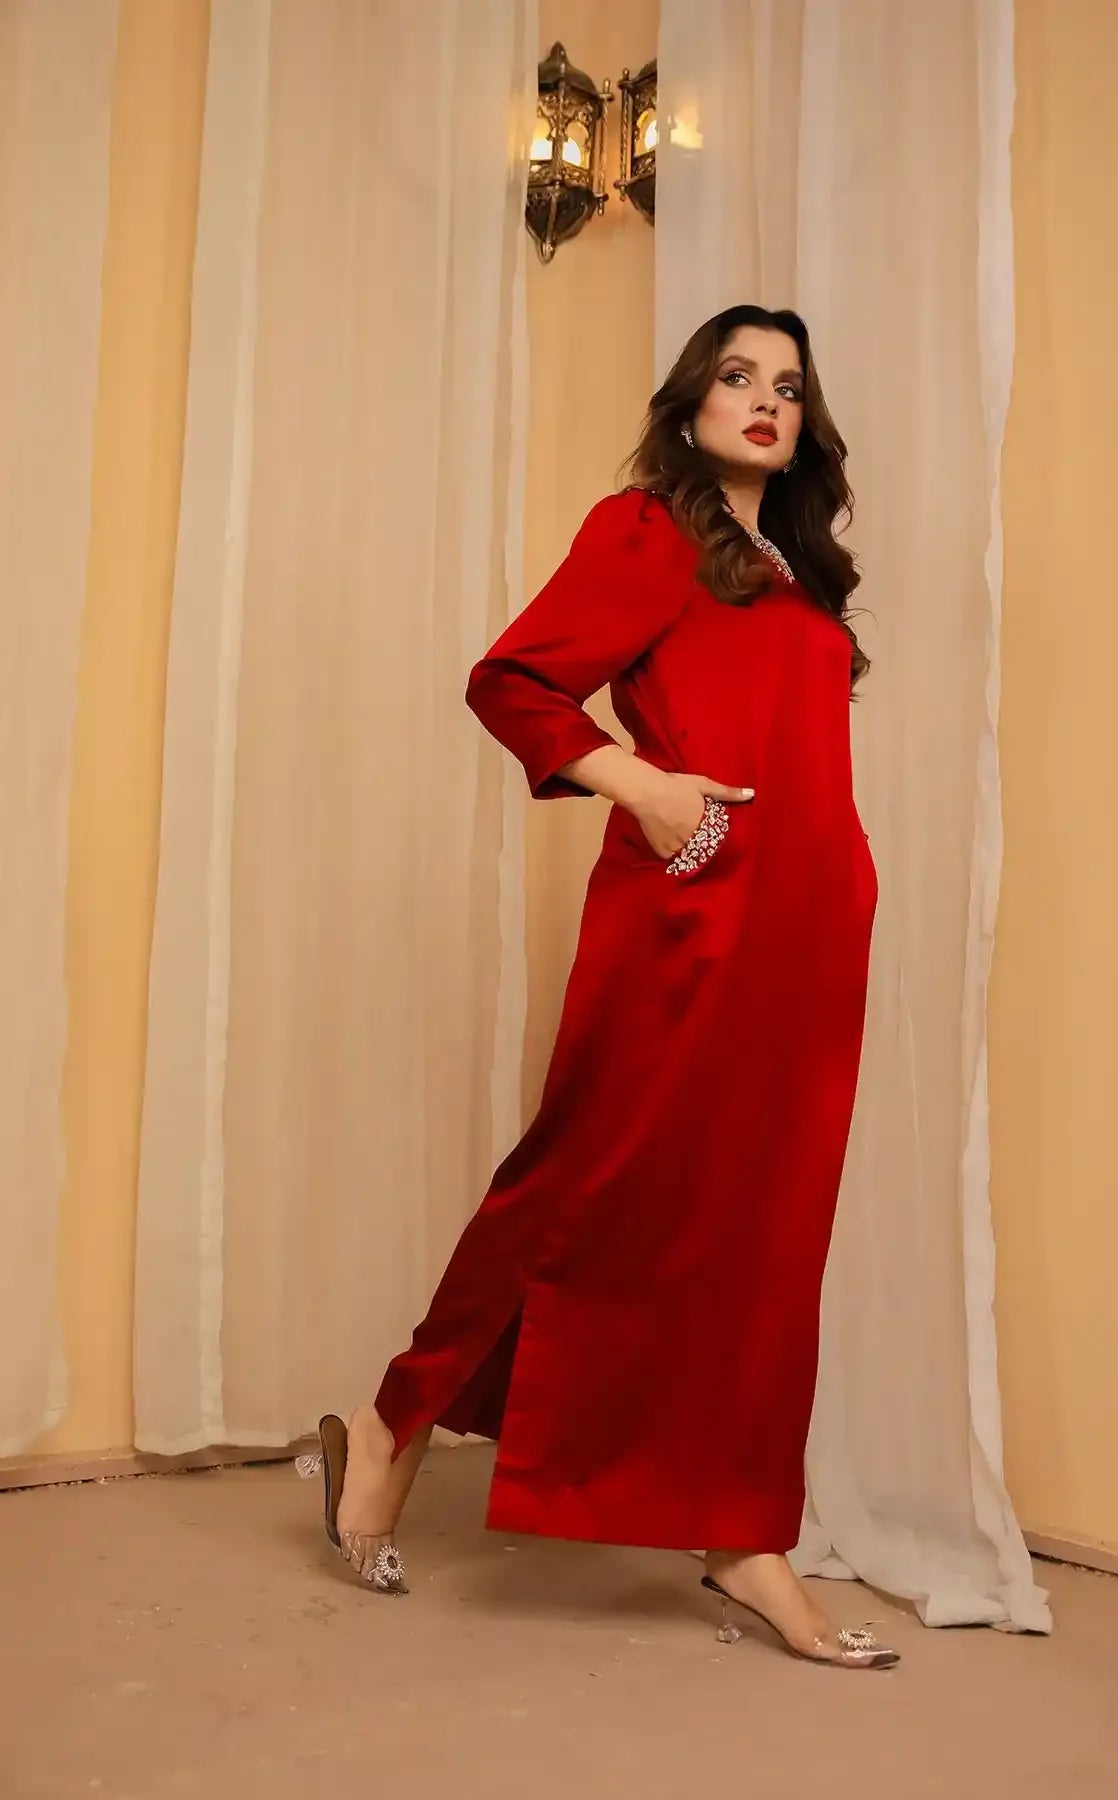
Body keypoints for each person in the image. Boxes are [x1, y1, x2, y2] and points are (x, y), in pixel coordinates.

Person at [303, 304, 898, 1669]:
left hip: (812, 934)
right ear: (690, 404)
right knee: (579, 1184)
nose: (765, 400)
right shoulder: (645, 532)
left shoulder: (794, 571)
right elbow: (513, 682)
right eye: (737, 376)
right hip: (689, 913)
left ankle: (745, 1535)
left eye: (788, 385)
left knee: (766, 1228)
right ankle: (392, 1423)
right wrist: (640, 784)